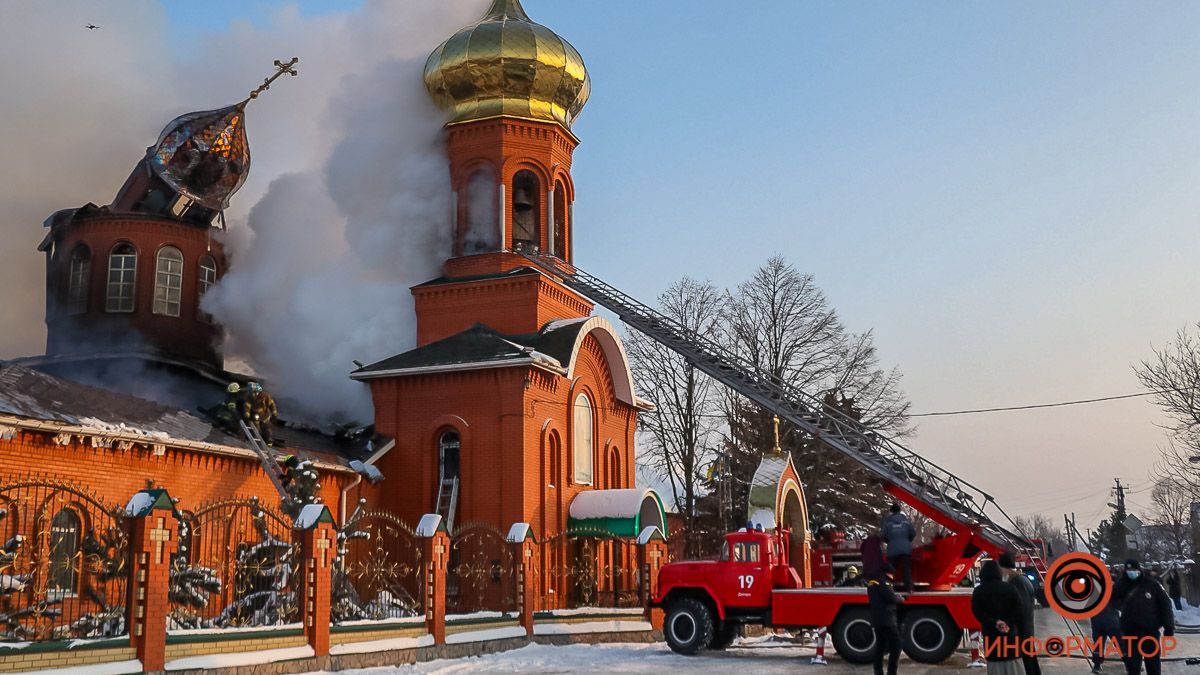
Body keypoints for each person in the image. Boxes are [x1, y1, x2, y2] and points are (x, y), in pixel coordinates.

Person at [1113, 559, 1173, 675]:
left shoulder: (1151, 584)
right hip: (1130, 634)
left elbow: (1165, 604)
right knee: (1133, 667)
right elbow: (1111, 600)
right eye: (1129, 570)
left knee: (1153, 666)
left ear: (1139, 570)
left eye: (1134, 570)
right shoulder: (1121, 585)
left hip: (1150, 632)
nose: (1132, 572)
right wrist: (1121, 608)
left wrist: (1168, 626)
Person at [971, 559, 1026, 675]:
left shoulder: (979, 591)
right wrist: (1007, 623)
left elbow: (978, 612)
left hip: (991, 636)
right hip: (1009, 635)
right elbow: (1019, 610)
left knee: (995, 668)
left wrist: (995, 623)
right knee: (1013, 667)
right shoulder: (1010, 588)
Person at [998, 553, 1041, 675]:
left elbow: (1019, 607)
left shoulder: (1016, 583)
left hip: (1021, 630)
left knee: (1026, 664)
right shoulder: (1024, 580)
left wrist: (1008, 622)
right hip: (1027, 628)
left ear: (1005, 568)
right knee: (1031, 662)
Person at [868, 562, 904, 675]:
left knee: (880, 645)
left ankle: (878, 671)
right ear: (888, 573)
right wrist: (900, 598)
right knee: (897, 645)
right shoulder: (883, 582)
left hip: (878, 620)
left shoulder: (873, 582)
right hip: (887, 620)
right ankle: (892, 672)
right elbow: (891, 597)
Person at [882, 503, 916, 592]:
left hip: (892, 549)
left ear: (891, 511)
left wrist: (890, 541)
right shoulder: (906, 521)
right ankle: (909, 588)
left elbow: (884, 536)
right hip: (905, 549)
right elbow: (913, 533)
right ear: (899, 511)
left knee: (890, 569)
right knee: (906, 569)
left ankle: (888, 588)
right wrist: (906, 540)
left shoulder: (888, 522)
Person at [1089, 586, 1122, 674]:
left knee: (1098, 644)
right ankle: (1129, 663)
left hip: (1099, 621)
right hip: (1111, 622)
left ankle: (1097, 665)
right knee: (1120, 643)